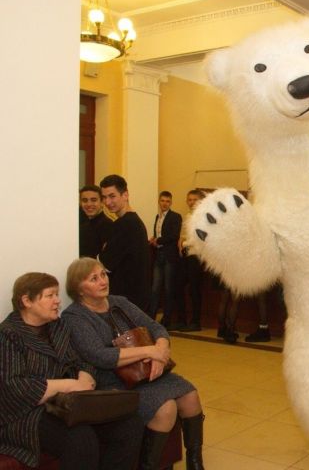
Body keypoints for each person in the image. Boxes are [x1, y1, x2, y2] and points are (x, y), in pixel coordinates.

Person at [62, 258, 205, 470]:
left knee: (191, 396)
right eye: (94, 278)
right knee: (166, 408)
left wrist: (161, 352)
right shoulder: (74, 316)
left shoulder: (120, 302)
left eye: (103, 274)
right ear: (79, 289)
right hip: (113, 380)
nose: (103, 281)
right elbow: (99, 355)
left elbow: (156, 328)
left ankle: (195, 462)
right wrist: (149, 351)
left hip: (147, 371)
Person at [0, 272, 143, 469]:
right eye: (50, 296)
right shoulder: (9, 335)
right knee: (81, 438)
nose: (58, 301)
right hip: (28, 414)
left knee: (130, 425)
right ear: (26, 300)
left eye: (57, 295)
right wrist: (69, 384)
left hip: (68, 404)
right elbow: (14, 388)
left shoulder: (57, 326)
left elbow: (81, 361)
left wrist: (86, 377)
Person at [99, 174, 151, 311]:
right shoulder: (134, 221)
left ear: (125, 195)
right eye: (104, 197)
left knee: (125, 334)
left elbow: (105, 264)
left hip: (126, 300)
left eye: (112, 196)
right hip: (134, 298)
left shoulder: (125, 224)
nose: (107, 202)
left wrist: (103, 253)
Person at [148, 191, 183, 329]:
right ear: (159, 201)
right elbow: (160, 234)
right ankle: (150, 319)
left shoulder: (176, 216)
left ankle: (166, 320)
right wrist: (154, 239)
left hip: (169, 256)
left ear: (171, 203)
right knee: (155, 288)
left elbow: (174, 235)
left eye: (167, 201)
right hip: (158, 255)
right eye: (162, 200)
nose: (164, 203)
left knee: (168, 289)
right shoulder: (158, 216)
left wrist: (159, 240)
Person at [177, 189, 206, 332]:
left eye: (195, 199)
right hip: (186, 255)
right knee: (179, 286)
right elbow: (183, 235)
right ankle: (182, 320)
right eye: (189, 199)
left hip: (197, 256)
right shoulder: (188, 216)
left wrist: (184, 243)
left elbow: (199, 239)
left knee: (195, 289)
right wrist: (181, 243)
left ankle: (196, 321)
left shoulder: (204, 217)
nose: (192, 202)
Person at [79, 184, 112, 258]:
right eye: (85, 200)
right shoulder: (80, 224)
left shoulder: (108, 226)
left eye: (94, 200)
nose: (89, 204)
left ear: (102, 202)